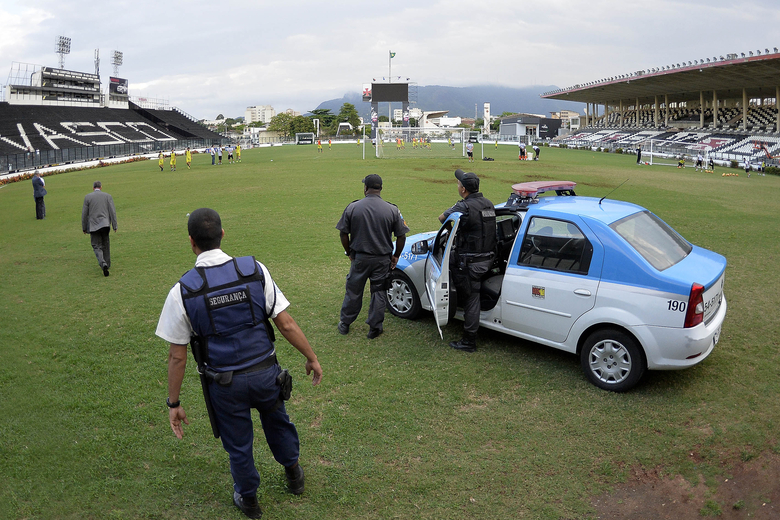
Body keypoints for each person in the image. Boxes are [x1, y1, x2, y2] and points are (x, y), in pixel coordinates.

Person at [156, 208, 323, 520]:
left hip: (225, 384)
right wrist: (311, 357)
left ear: (191, 242)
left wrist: (174, 402)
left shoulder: (183, 291)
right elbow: (285, 323)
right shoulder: (253, 270)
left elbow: (177, 355)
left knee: (238, 443)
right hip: (265, 375)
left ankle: (249, 501)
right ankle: (294, 475)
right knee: (278, 422)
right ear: (223, 234)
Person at [337, 174, 408, 339]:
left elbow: (343, 234)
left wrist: (349, 253)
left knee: (353, 291)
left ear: (365, 188)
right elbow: (402, 236)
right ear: (381, 189)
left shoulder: (353, 207)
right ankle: (375, 328)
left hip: (360, 259)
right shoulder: (392, 210)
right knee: (378, 292)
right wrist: (396, 256)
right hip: (382, 259)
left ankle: (345, 324)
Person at [438, 169, 496, 352]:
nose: (457, 186)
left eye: (458, 184)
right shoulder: (489, 204)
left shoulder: (464, 206)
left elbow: (442, 219)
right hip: (487, 259)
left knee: (471, 298)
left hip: (470, 263)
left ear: (463, 189)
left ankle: (469, 341)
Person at [81, 181, 118, 277]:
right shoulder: (107, 196)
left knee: (96, 246)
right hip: (105, 224)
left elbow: (84, 214)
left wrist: (84, 227)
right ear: (101, 187)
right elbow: (112, 212)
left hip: (93, 226)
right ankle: (107, 263)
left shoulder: (87, 197)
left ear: (93, 188)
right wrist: (115, 225)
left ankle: (102, 263)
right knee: (106, 243)